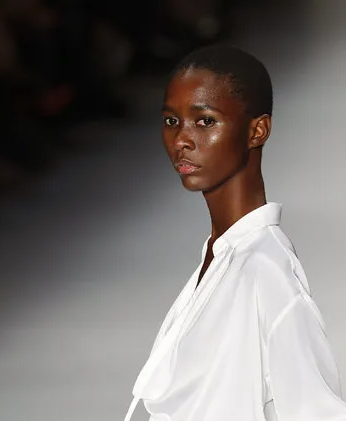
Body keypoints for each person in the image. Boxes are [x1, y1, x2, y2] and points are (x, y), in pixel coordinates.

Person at [123, 45, 346, 421]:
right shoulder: (222, 254)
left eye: (205, 121)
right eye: (171, 121)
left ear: (257, 130)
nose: (182, 140)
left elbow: (317, 411)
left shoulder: (265, 269)